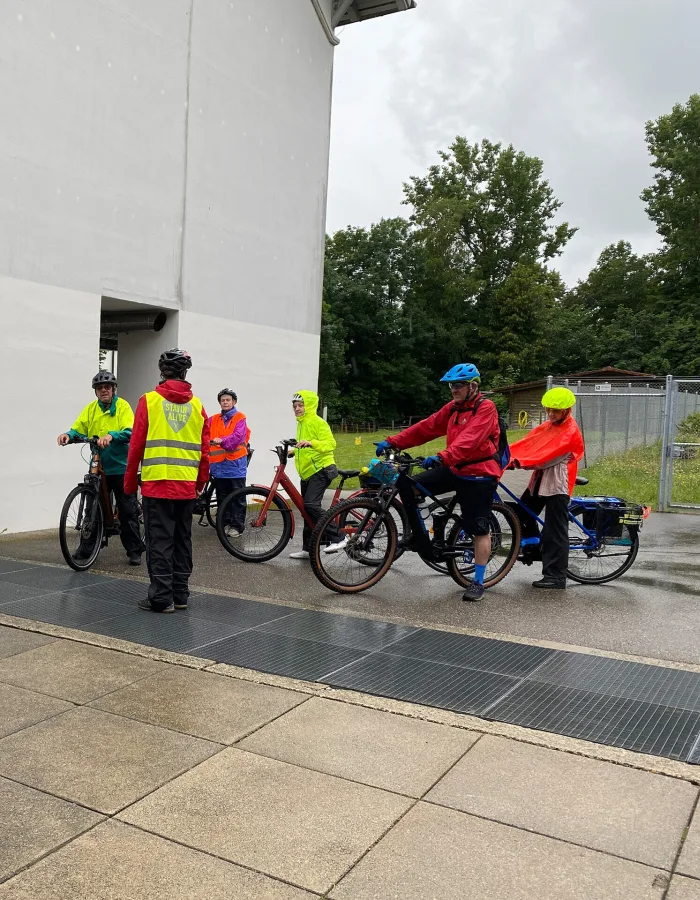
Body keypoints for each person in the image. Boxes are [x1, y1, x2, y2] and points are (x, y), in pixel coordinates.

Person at [376, 363, 501, 602]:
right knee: (410, 486)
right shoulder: (453, 408)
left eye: (458, 385)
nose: (453, 390)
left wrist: (443, 457)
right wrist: (393, 441)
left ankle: (477, 581)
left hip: (479, 472)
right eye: (451, 386)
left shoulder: (486, 409)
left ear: (473, 386)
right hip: (455, 466)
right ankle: (421, 535)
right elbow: (427, 427)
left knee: (478, 528)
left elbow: (470, 440)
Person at [125, 349, 209, 613]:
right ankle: (181, 595)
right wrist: (199, 483)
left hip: (157, 485)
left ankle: (161, 598)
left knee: (159, 541)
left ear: (163, 373)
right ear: (185, 373)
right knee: (182, 539)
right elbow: (204, 452)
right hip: (186, 486)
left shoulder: (148, 401)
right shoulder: (198, 406)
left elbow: (136, 445)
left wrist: (128, 484)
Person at [57, 371, 143, 565]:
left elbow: (130, 430)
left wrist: (112, 436)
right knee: (91, 507)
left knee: (127, 508)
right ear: (96, 392)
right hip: (98, 464)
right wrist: (68, 435)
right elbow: (79, 427)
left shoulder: (122, 406)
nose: (104, 390)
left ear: (113, 389)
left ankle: (134, 550)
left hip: (120, 465)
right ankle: (87, 547)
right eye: (100, 388)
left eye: (107, 387)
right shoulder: (91, 409)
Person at [508, 387, 585, 590]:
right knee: (521, 511)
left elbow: (544, 458)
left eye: (555, 411)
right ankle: (534, 545)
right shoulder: (549, 426)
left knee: (555, 531)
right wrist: (504, 454)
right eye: (548, 410)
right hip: (541, 481)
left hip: (557, 485)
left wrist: (517, 462)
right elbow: (529, 443)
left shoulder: (570, 432)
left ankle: (556, 577)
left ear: (566, 411)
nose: (551, 414)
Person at [289, 390, 343, 559]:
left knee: (311, 505)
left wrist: (311, 442)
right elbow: (306, 448)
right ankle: (309, 549)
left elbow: (330, 444)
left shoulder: (317, 422)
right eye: (295, 406)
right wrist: (294, 450)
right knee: (307, 510)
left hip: (322, 469)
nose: (297, 409)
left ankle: (339, 536)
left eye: (301, 405)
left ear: (310, 405)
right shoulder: (301, 423)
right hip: (308, 472)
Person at [209, 389, 249, 539]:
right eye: (223, 400)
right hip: (219, 466)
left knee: (237, 497)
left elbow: (237, 437)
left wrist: (223, 441)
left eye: (228, 400)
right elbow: (203, 430)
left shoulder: (240, 418)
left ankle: (237, 526)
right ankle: (224, 523)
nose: (225, 402)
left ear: (234, 402)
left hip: (235, 465)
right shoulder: (213, 419)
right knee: (222, 496)